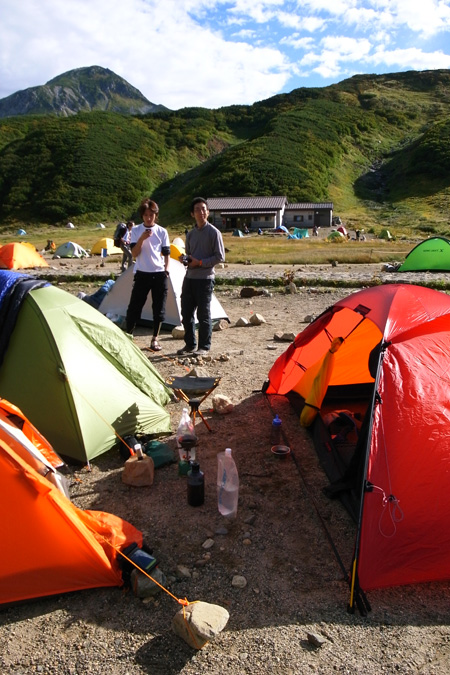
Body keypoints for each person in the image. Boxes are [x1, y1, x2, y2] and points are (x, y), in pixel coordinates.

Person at [177, 197, 225, 357]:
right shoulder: (190, 235)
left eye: (204, 209)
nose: (201, 212)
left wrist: (201, 262)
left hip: (205, 279)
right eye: (197, 209)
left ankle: (204, 346)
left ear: (208, 212)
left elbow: (220, 257)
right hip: (189, 277)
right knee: (186, 312)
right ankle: (190, 344)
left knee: (203, 314)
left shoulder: (214, 233)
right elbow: (189, 256)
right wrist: (186, 260)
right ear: (192, 214)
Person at [125, 199, 170, 351]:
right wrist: (142, 239)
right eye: (146, 215)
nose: (148, 218)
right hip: (142, 273)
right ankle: (128, 335)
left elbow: (166, 254)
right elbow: (134, 254)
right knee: (134, 306)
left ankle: (155, 339)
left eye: (151, 215)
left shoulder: (162, 232)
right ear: (142, 216)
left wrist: (166, 270)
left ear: (156, 215)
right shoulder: (136, 230)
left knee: (159, 308)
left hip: (158, 274)